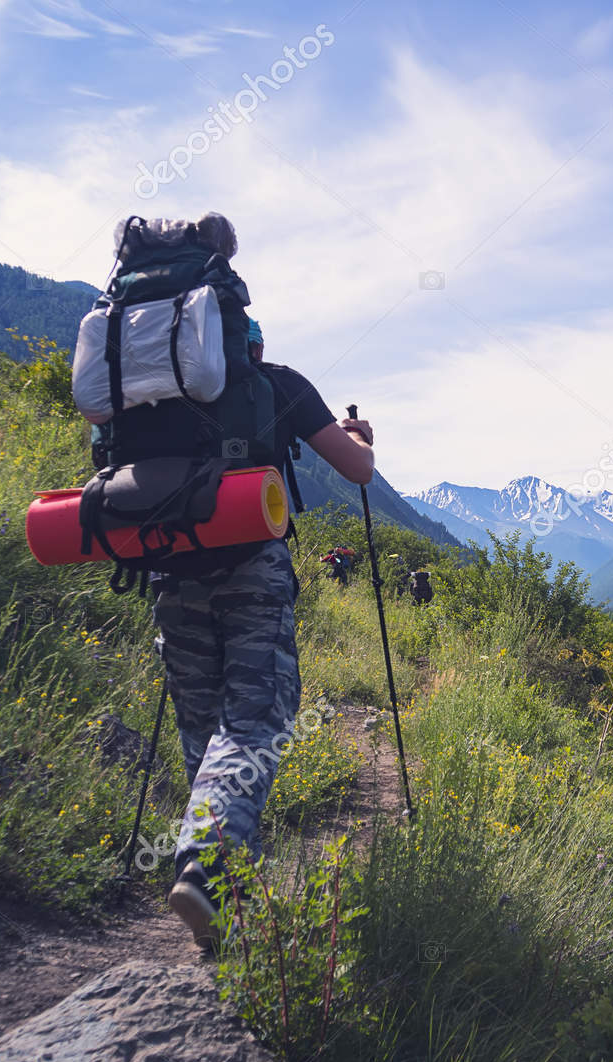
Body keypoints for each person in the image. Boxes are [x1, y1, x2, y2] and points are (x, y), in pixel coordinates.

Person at [161, 309, 375, 951]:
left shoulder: (152, 392)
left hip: (169, 568)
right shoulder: (276, 384)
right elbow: (357, 470)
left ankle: (221, 905)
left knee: (204, 728)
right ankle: (210, 862)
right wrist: (360, 438)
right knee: (256, 715)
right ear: (250, 344)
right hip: (253, 568)